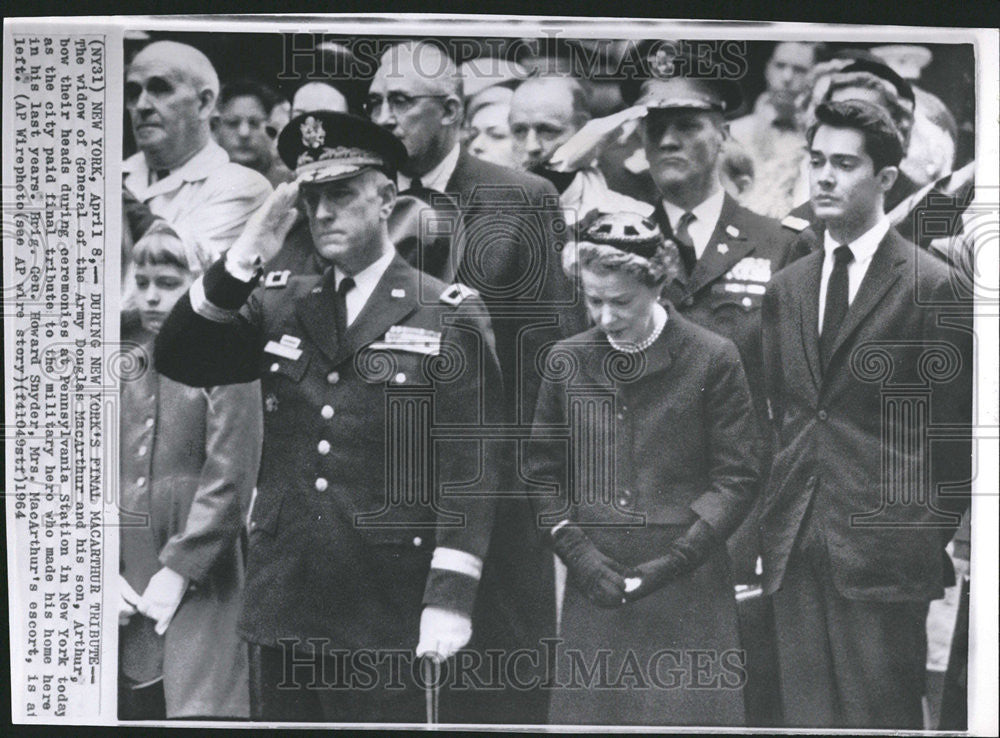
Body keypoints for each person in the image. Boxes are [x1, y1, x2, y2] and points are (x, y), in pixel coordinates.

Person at [153, 111, 503, 723]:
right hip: (285, 593)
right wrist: (242, 258)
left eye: (341, 194)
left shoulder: (444, 313)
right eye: (312, 197)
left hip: (384, 598)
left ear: (387, 197)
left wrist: (451, 597)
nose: (323, 213)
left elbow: (470, 470)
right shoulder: (280, 300)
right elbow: (181, 354)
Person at [367, 41, 588, 723]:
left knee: (495, 688)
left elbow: (551, 363)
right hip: (375, 490)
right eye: (373, 102)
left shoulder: (518, 199)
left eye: (400, 102)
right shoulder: (355, 196)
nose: (382, 117)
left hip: (491, 492)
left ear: (453, 110)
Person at [759, 100, 972, 729]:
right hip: (796, 548)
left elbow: (954, 437)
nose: (824, 176)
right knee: (803, 719)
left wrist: (912, 532)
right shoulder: (787, 287)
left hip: (886, 559)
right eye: (817, 161)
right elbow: (786, 415)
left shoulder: (932, 285)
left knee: (880, 718)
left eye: (844, 164)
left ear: (885, 179)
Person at [528, 211, 761, 726]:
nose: (605, 318)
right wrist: (578, 554)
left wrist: (677, 560)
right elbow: (541, 474)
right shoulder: (565, 360)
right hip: (597, 582)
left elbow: (739, 477)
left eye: (621, 302)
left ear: (657, 284)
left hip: (689, 583)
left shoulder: (711, 357)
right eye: (593, 300)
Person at [119, 221, 262, 720]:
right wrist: (98, 569)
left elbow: (230, 479)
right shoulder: (128, 364)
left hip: (203, 569)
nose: (153, 299)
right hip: (127, 574)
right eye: (143, 283)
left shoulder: (229, 360)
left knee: (199, 704)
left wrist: (178, 572)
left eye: (169, 283)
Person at [123, 41, 272, 264]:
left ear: (204, 103)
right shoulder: (119, 173)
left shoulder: (244, 186)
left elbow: (174, 261)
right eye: (133, 93)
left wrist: (113, 195)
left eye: (160, 89)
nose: (142, 106)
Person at [508, 75, 653, 224]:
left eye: (547, 130)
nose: (531, 146)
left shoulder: (634, 218)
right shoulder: (489, 214)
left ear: (582, 129)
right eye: (519, 131)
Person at [729, 42, 825, 218]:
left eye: (800, 70)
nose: (787, 77)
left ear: (816, 78)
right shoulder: (734, 133)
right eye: (780, 66)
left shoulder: (821, 139)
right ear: (767, 69)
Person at [214, 79, 292, 187]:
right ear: (216, 128)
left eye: (254, 123)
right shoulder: (202, 185)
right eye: (233, 123)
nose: (244, 133)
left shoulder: (290, 184)